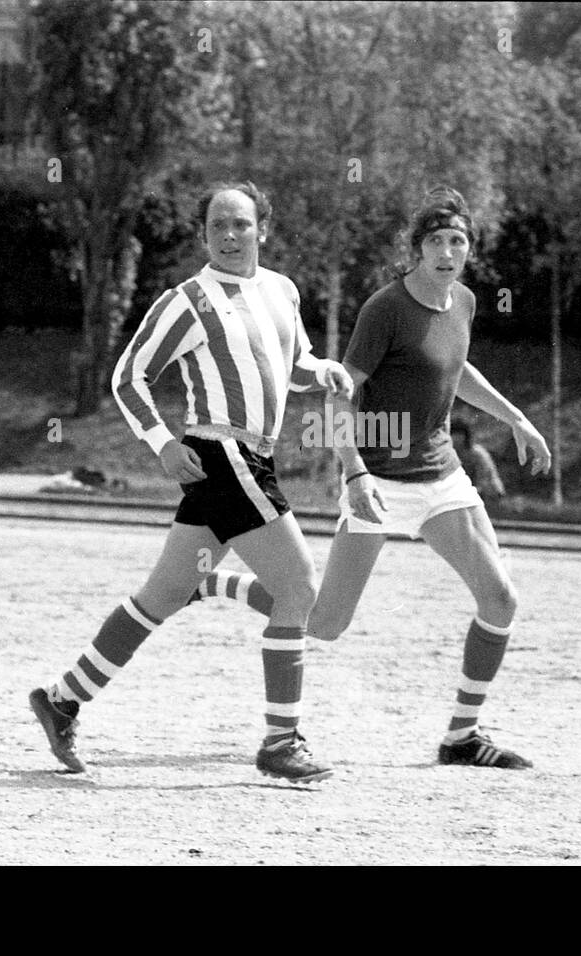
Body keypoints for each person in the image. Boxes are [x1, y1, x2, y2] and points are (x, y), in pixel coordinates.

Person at [191, 186, 552, 769]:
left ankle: (462, 736)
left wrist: (516, 418)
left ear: (468, 252)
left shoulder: (462, 303)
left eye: (457, 241)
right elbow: (340, 392)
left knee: (501, 598)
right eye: (435, 240)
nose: (446, 251)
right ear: (415, 249)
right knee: (326, 623)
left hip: (443, 479)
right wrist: (353, 470)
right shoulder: (386, 308)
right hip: (379, 482)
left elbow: (456, 371)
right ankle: (214, 583)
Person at [29, 181, 353, 783]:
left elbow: (295, 364)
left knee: (162, 597)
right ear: (203, 234)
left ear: (263, 227)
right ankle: (281, 740)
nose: (229, 235)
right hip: (223, 454)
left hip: (249, 458)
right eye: (217, 226)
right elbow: (130, 377)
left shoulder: (282, 290)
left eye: (240, 224)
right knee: (298, 587)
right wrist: (163, 444)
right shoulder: (188, 301)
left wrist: (324, 370)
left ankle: (62, 698)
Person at [451, 420, 506, 512]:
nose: (456, 439)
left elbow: (484, 478)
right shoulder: (450, 454)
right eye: (453, 435)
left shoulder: (477, 454)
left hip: (488, 492)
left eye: (459, 435)